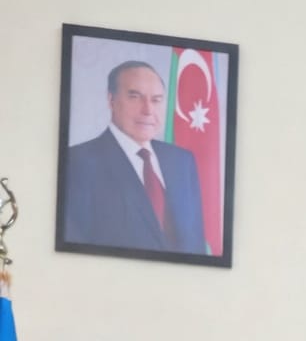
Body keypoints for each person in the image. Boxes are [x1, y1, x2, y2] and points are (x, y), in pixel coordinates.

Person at [62, 61, 206, 256]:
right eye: (135, 97)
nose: (148, 110)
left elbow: (196, 246)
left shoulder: (182, 161)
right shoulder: (77, 162)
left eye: (156, 100)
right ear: (111, 100)